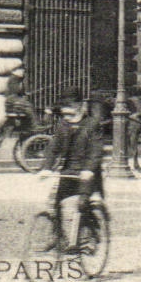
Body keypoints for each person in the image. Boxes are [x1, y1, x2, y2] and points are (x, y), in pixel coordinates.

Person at [38, 94, 106, 253]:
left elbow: (96, 151)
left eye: (71, 114)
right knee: (55, 203)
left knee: (83, 204)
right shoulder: (63, 126)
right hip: (69, 170)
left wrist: (89, 170)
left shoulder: (92, 124)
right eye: (65, 115)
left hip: (88, 172)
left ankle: (88, 239)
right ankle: (57, 236)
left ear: (81, 109)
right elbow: (53, 147)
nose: (67, 118)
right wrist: (46, 168)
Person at [0, 67, 29, 143]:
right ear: (16, 71)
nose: (23, 72)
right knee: (4, 116)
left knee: (3, 117)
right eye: (22, 70)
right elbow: (14, 92)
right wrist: (22, 96)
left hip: (9, 101)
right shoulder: (14, 79)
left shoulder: (16, 79)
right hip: (9, 102)